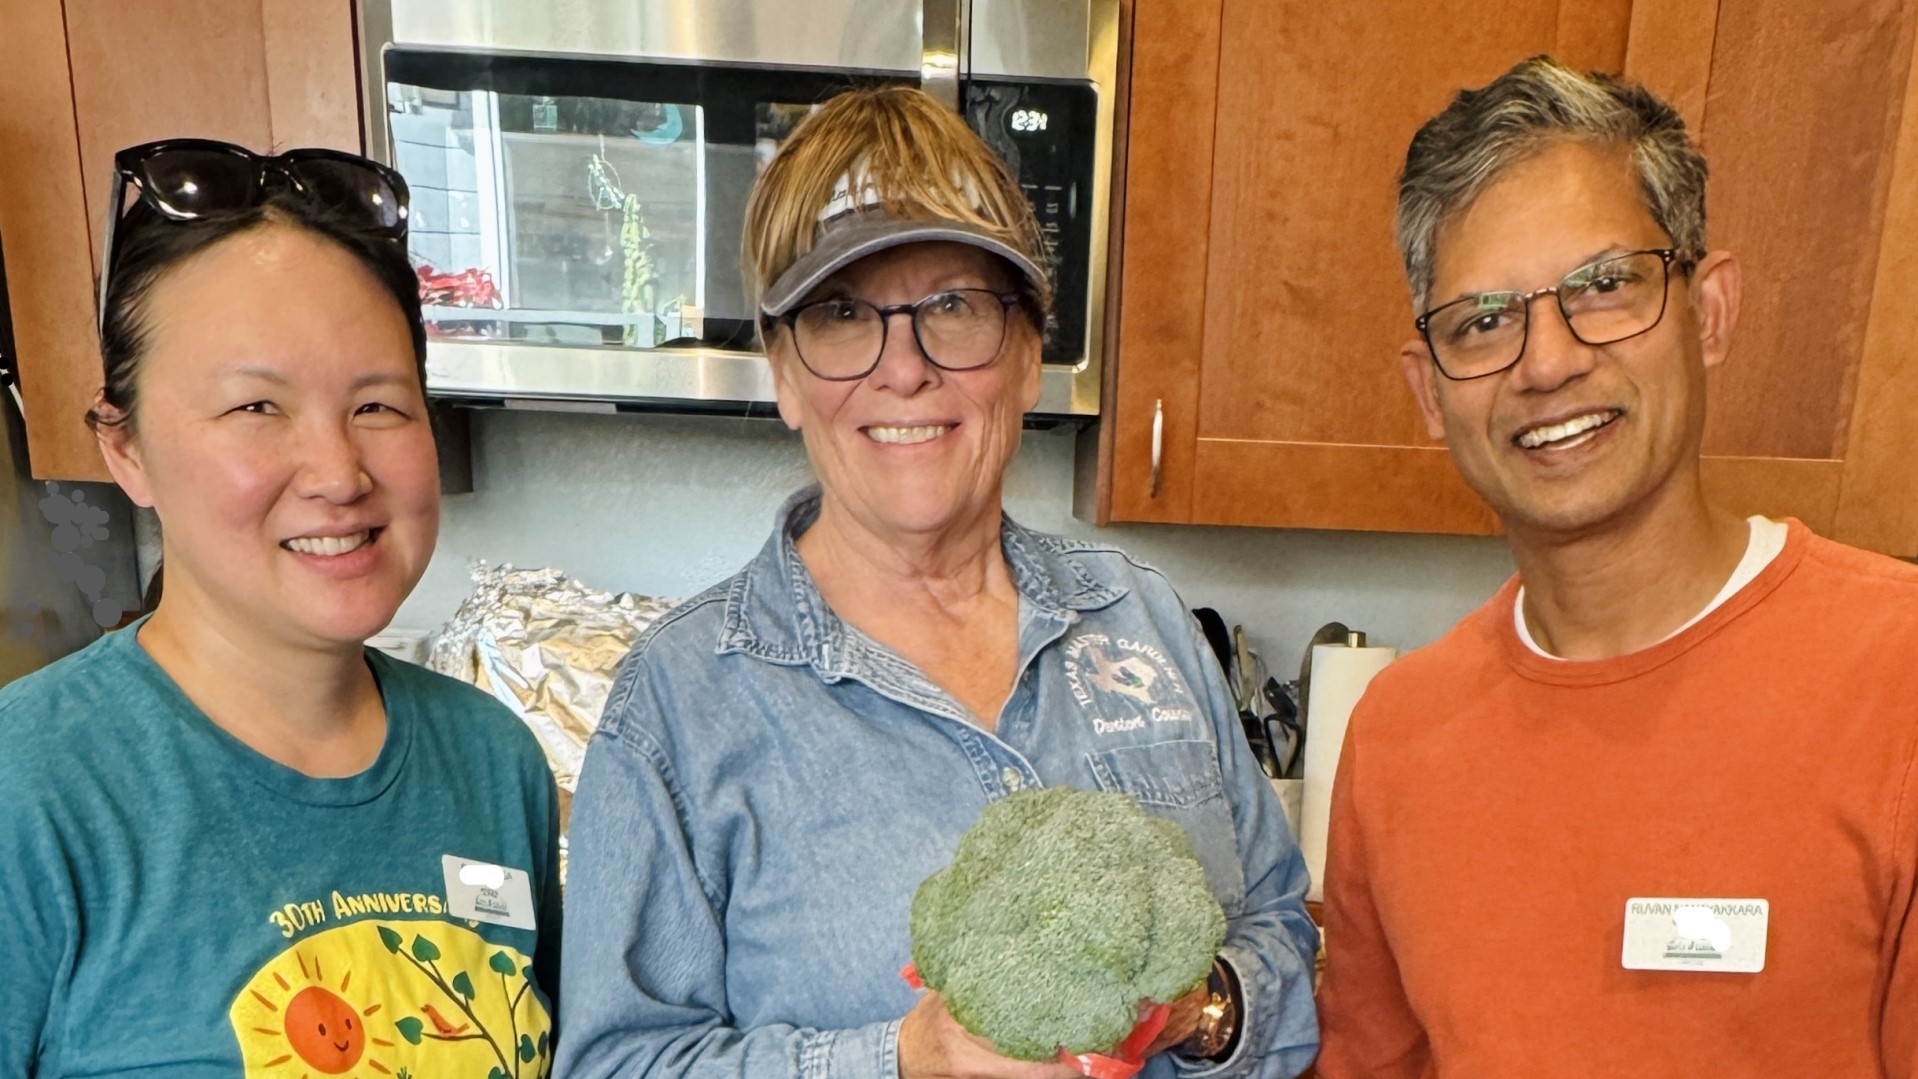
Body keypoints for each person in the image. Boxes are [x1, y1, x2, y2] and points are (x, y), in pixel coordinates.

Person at [557, 86, 1319, 1079]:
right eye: (841, 314)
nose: (904, 367)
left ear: (1026, 353)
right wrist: (901, 1056)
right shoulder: (679, 705)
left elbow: (1286, 943)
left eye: (953, 307)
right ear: (784, 372)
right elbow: (617, 1063)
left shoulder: (1143, 622)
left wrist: (1197, 1006)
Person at [1315, 56, 1918, 1077]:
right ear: (1429, 392)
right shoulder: (1397, 733)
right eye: (1484, 319)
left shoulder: (1894, 675)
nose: (1545, 361)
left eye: (1602, 285)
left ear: (1708, 309)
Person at [0, 139, 561, 1077]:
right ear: (125, 446)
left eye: (378, 405)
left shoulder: (493, 762)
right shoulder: (32, 791)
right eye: (257, 408)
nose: (340, 473)